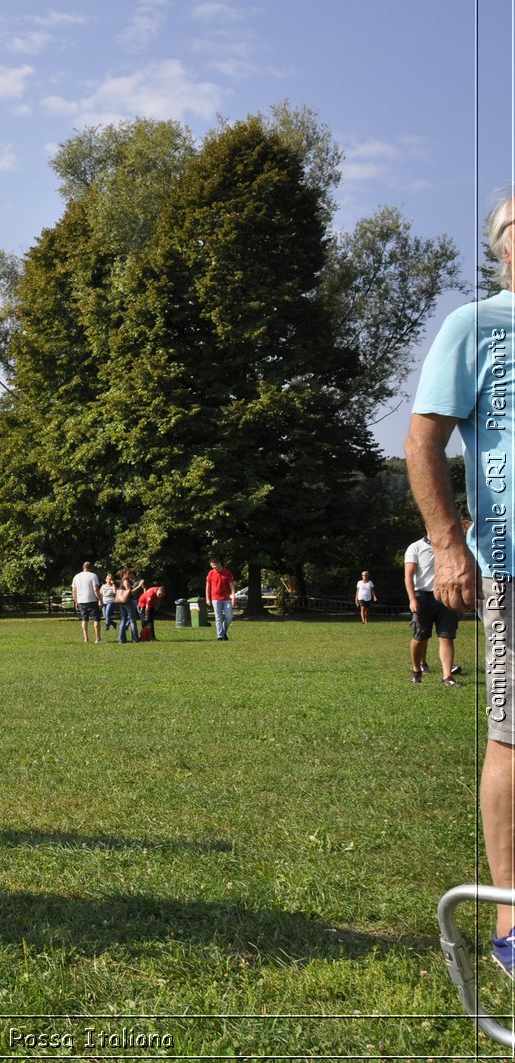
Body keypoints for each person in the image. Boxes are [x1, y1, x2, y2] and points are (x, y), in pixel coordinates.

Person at [405, 189, 515, 975]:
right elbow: (423, 440)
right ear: (504, 245)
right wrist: (448, 543)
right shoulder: (475, 326)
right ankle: (514, 919)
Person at [404, 531, 462, 685]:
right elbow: (408, 575)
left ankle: (447, 677)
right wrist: (412, 599)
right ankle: (416, 670)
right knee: (420, 638)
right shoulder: (415, 548)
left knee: (446, 636)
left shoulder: (449, 547)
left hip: (445, 597)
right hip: (423, 597)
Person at [70, 561, 102, 644]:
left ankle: (86, 638)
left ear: (83, 567)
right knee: (96, 619)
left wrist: (76, 601)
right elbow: (96, 589)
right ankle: (97, 639)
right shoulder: (93, 576)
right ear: (90, 568)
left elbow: (74, 590)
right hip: (92, 600)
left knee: (84, 619)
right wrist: (100, 600)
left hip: (81, 600)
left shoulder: (76, 576)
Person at [205, 558, 235, 641]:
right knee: (218, 617)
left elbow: (232, 586)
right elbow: (208, 586)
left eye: (214, 566)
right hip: (215, 598)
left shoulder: (227, 572)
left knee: (229, 616)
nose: (213, 568)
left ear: (219, 564)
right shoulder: (211, 573)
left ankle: (223, 631)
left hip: (226, 598)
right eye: (212, 566)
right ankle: (220, 636)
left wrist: (233, 598)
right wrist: (208, 598)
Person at [115, 567, 144, 644]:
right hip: (128, 602)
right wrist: (139, 585)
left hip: (122, 602)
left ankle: (121, 639)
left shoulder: (123, 580)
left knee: (123, 620)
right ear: (124, 573)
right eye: (128, 573)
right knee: (132, 620)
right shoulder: (126, 581)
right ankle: (135, 639)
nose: (130, 574)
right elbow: (130, 592)